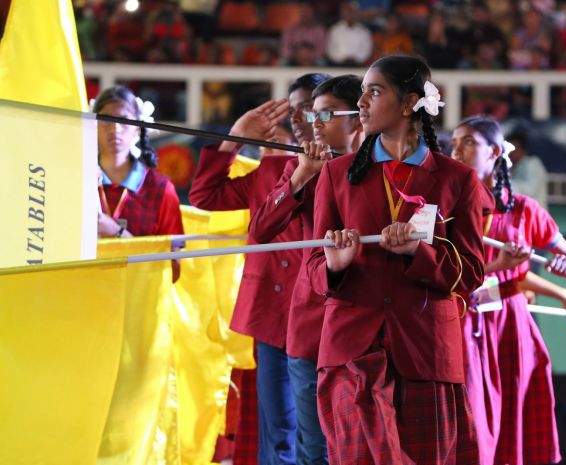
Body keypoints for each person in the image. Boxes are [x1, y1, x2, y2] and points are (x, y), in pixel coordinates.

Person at [307, 55, 484, 464]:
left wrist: (417, 253)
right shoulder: (336, 174)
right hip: (351, 349)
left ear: (408, 103)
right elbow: (314, 266)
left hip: (426, 351)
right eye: (362, 93)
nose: (361, 103)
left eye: (374, 91)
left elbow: (471, 272)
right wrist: (334, 264)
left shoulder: (458, 179)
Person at [189, 73, 331, 465]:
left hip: (323, 316)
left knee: (320, 431)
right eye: (294, 109)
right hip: (273, 315)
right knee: (278, 430)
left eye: (311, 109)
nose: (299, 118)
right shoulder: (274, 168)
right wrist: (235, 138)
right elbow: (205, 195)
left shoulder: (351, 168)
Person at [451, 115, 566, 465]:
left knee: (514, 426)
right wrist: (498, 265)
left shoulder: (525, 209)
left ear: (495, 152)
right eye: (454, 143)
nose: (457, 150)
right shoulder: (446, 210)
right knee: (471, 429)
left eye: (468, 142)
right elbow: (441, 271)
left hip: (509, 328)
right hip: (462, 324)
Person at [250, 74, 363, 465]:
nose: (314, 124)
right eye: (313, 115)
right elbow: (260, 231)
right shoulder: (301, 166)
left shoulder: (382, 169)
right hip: (311, 325)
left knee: (362, 448)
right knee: (313, 449)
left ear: (358, 118)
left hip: (364, 326)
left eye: (326, 115)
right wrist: (302, 176)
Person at [94, 86, 183, 240]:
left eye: (124, 120)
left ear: (137, 128)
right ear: (94, 125)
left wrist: (117, 231)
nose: (115, 129)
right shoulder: (79, 182)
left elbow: (175, 252)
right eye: (106, 120)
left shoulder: (161, 189)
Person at [507, 131, 549, 209]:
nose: (512, 153)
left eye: (515, 148)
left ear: (523, 150)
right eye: (509, 149)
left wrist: (503, 184)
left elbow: (530, 191)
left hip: (535, 214)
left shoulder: (533, 164)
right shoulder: (509, 168)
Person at [326, 1, 373, 66]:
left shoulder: (364, 31)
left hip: (358, 66)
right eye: (347, 11)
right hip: (338, 66)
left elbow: (367, 50)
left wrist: (356, 59)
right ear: (342, 13)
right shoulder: (335, 30)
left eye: (352, 12)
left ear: (357, 13)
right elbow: (330, 49)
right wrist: (342, 59)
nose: (350, 14)